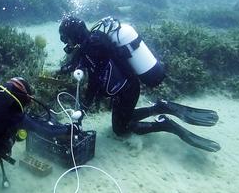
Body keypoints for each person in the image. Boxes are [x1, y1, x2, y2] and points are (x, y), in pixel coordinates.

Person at [58, 15, 221, 152]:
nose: (67, 43)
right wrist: (68, 67)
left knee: (121, 130)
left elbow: (94, 82)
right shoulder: (94, 40)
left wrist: (83, 109)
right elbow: (80, 60)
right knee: (124, 119)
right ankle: (160, 107)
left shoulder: (92, 47)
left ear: (74, 35)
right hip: (126, 88)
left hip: (127, 91)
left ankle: (166, 124)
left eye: (67, 38)